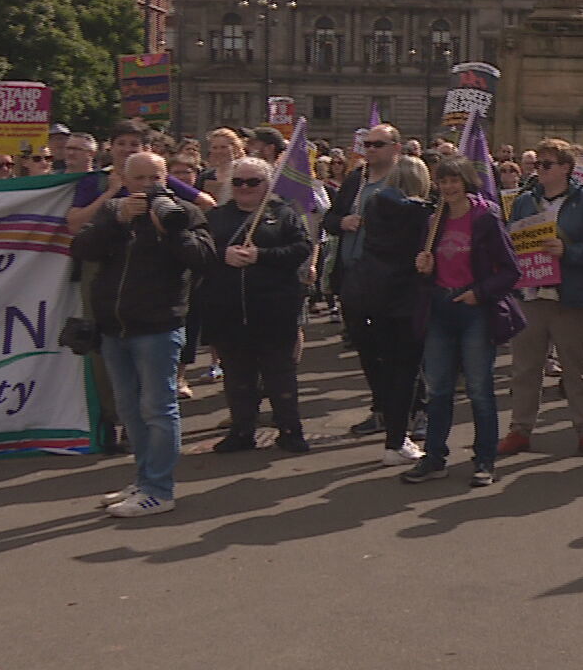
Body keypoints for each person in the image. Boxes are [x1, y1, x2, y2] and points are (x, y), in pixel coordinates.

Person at [73, 152, 218, 518]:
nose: (146, 185)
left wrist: (170, 229)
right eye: (138, 178)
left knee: (158, 408)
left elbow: (203, 258)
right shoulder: (114, 212)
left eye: (154, 177)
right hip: (114, 327)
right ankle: (143, 478)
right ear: (123, 178)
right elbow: (80, 248)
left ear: (166, 177)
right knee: (129, 410)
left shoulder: (183, 211)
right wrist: (116, 219)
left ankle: (159, 489)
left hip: (158, 327)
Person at [402, 158, 520, 486]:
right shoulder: (433, 221)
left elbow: (511, 270)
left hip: (473, 309)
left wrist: (479, 294)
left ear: (466, 181)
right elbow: (427, 267)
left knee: (480, 389)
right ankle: (435, 458)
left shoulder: (485, 219)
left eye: (454, 181)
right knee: (438, 389)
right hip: (440, 307)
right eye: (443, 182)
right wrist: (423, 266)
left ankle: (484, 460)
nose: (449, 188)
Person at [196, 156, 313, 455]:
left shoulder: (283, 214)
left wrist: (262, 255)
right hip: (229, 310)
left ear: (267, 184)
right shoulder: (217, 217)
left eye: (252, 182)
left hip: (274, 310)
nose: (244, 188)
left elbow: (302, 249)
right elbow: (198, 252)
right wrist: (224, 256)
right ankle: (241, 430)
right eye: (238, 182)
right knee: (237, 375)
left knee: (279, 373)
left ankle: (290, 430)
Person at [500, 138, 583, 458]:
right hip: (531, 296)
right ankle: (519, 430)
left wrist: (568, 251)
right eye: (537, 166)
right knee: (525, 369)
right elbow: (511, 241)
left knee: (576, 367)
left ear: (566, 168)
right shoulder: (524, 201)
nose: (540, 172)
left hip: (570, 297)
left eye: (546, 165)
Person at [334, 132, 435, 466]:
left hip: (371, 297)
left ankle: (393, 430)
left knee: (388, 367)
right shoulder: (422, 216)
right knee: (406, 371)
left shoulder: (376, 207)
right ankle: (396, 439)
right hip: (405, 300)